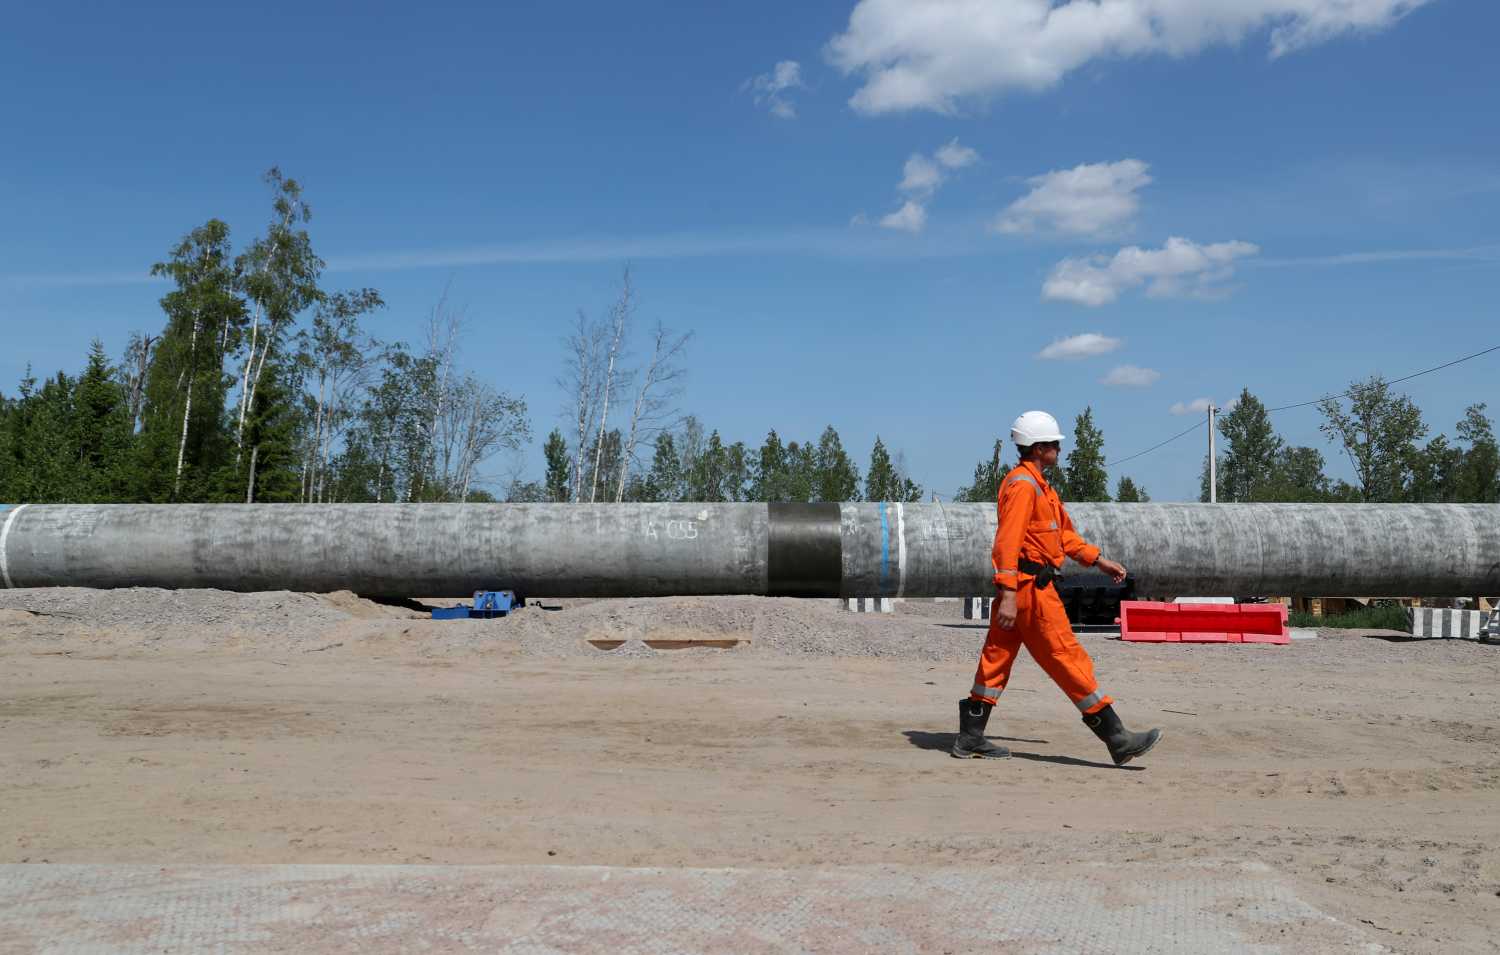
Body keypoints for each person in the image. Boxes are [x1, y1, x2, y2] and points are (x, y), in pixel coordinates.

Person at [952, 410, 1162, 766]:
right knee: (1066, 656)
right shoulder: (1023, 486)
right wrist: (1008, 594)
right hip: (1030, 591)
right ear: (1037, 448)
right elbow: (1007, 542)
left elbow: (1063, 536)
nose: (1059, 450)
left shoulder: (1040, 487)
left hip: (1023, 589)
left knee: (996, 659)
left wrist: (1098, 560)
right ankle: (1116, 737)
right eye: (1054, 444)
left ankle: (970, 737)